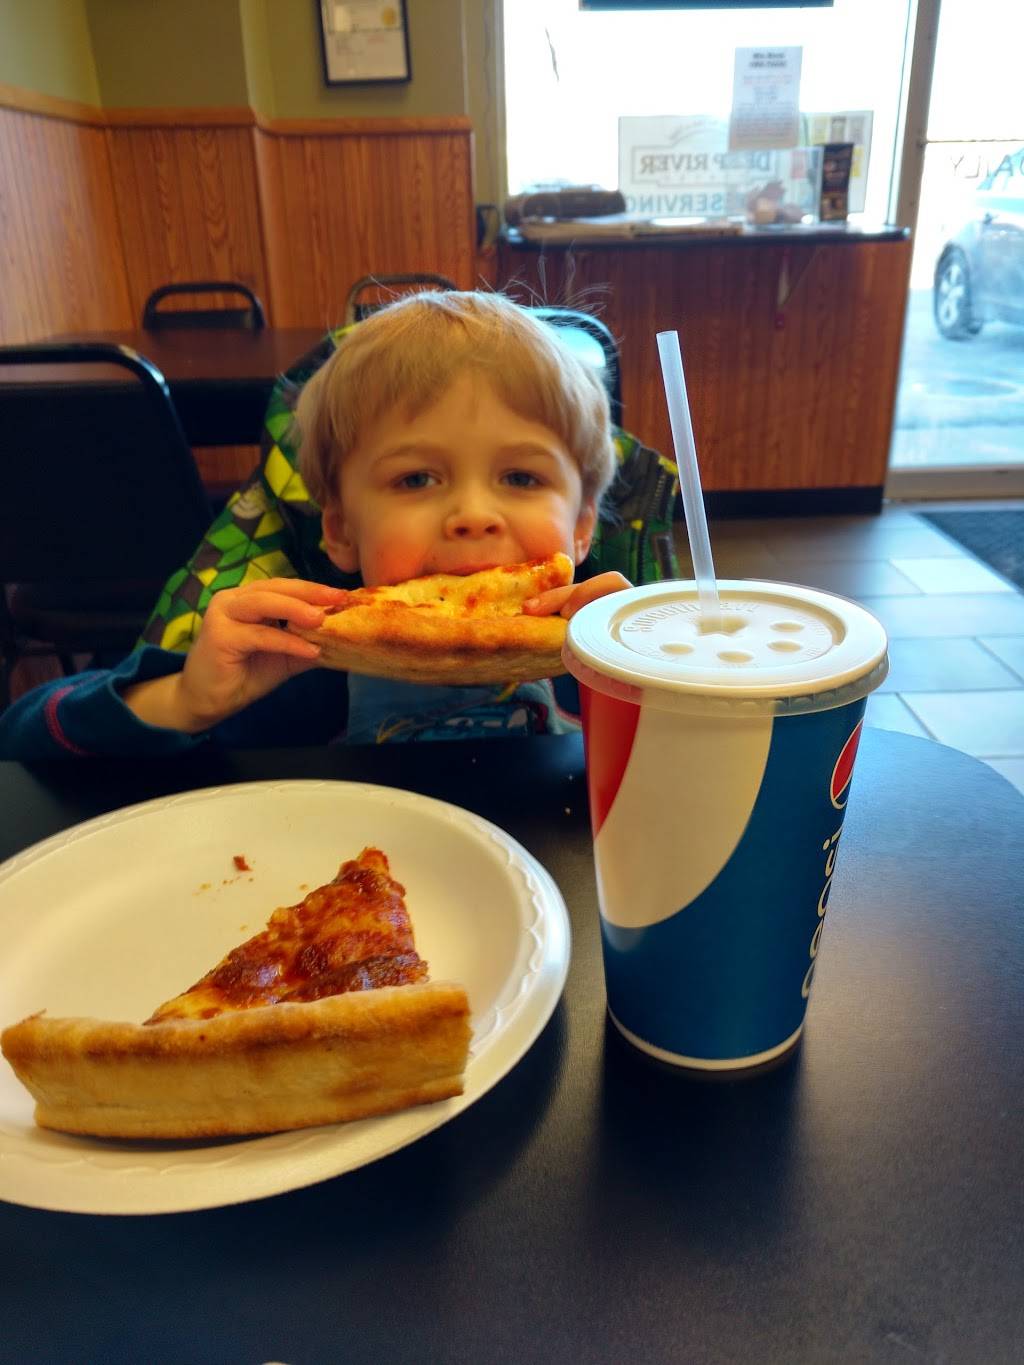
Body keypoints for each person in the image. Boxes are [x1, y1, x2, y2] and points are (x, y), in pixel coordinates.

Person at [0, 291, 634, 758]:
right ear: (341, 530)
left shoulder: (607, 675)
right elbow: (25, 745)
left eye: (521, 478)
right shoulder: (297, 670)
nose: (473, 516)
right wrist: (186, 700)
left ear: (582, 526)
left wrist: (650, 679)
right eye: (416, 479)